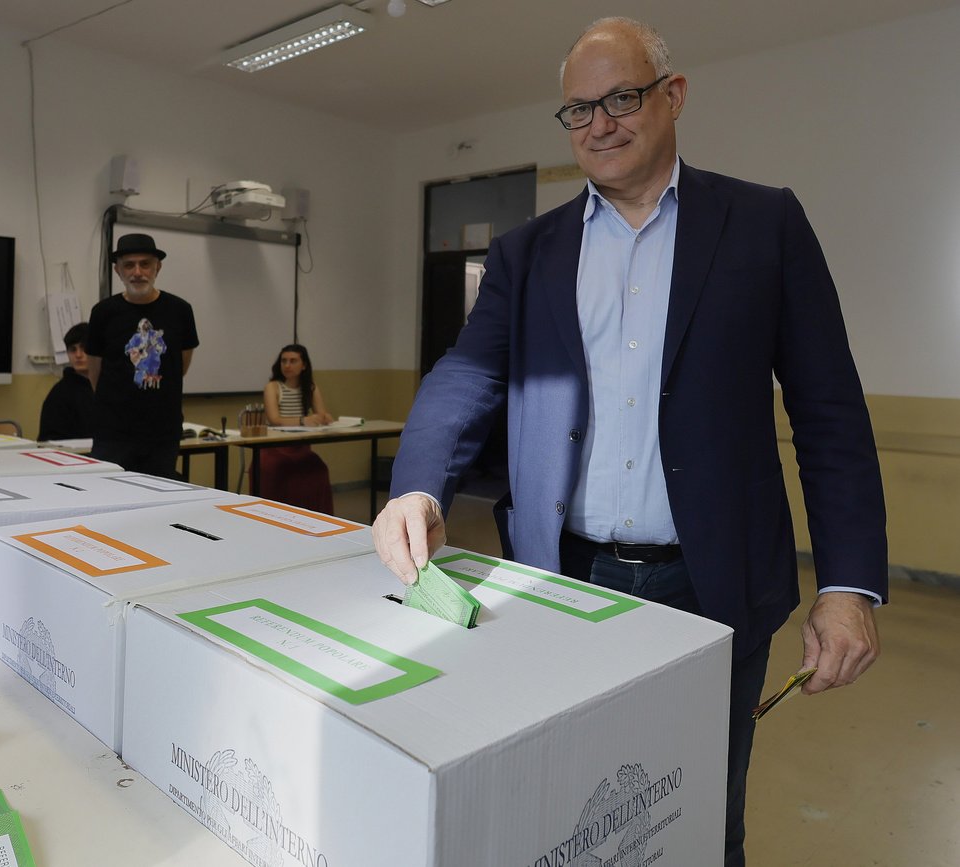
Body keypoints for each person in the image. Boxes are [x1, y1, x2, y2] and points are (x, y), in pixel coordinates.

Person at [371, 18, 886, 867]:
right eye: (578, 109)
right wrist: (417, 486)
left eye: (621, 97)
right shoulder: (526, 252)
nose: (600, 124)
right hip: (561, 575)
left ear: (672, 96)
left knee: (696, 814)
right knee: (564, 801)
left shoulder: (764, 224)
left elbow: (829, 409)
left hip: (710, 579)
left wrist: (850, 583)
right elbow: (465, 375)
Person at [86, 233, 198, 477]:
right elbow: (95, 372)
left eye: (145, 264)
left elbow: (180, 366)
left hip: (162, 434)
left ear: (157, 268)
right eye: (129, 265)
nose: (138, 272)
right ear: (118, 271)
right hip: (113, 434)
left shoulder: (180, 311)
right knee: (109, 501)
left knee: (159, 504)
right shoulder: (103, 313)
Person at [258, 344, 335, 514]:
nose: (287, 365)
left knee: (320, 470)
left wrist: (324, 418)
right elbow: (274, 419)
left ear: (304, 365)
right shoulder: (273, 387)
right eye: (284, 361)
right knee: (286, 473)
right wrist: (303, 420)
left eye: (293, 361)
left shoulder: (310, 388)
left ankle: (315, 517)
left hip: (300, 448)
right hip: (274, 448)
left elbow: (321, 415)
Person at [37, 322, 96, 442]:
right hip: (73, 456)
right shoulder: (60, 393)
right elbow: (48, 438)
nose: (78, 355)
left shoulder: (108, 387)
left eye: (84, 348)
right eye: (73, 350)